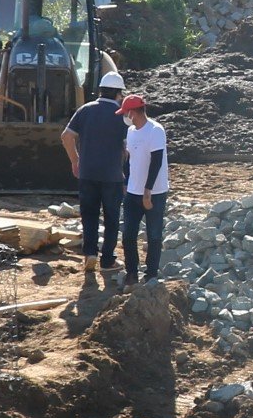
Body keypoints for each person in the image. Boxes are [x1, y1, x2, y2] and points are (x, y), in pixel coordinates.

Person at [59, 71, 128, 284]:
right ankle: (107, 260)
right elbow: (128, 147)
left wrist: (75, 161)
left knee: (89, 215)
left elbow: (66, 136)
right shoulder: (121, 115)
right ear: (119, 93)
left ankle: (90, 253)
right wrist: (124, 169)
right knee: (112, 218)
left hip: (87, 174)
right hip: (112, 176)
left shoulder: (85, 110)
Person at [119, 92, 171, 284]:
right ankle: (132, 272)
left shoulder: (155, 130)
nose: (125, 117)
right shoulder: (131, 131)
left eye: (126, 113)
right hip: (133, 192)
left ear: (133, 112)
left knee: (154, 234)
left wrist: (148, 190)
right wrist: (126, 182)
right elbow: (129, 158)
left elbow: (156, 162)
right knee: (128, 235)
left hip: (154, 193)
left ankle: (151, 273)